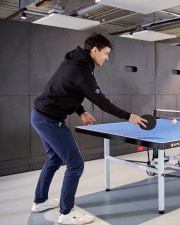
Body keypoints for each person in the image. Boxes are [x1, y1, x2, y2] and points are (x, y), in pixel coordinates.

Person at [30, 33, 147, 225]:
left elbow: (67, 90)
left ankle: (40, 201)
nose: (107, 58)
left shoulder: (75, 62)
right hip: (49, 120)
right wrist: (128, 116)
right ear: (94, 50)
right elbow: (102, 102)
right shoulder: (82, 71)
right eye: (106, 53)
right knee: (76, 164)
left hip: (40, 115)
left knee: (54, 159)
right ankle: (66, 214)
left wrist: (81, 111)